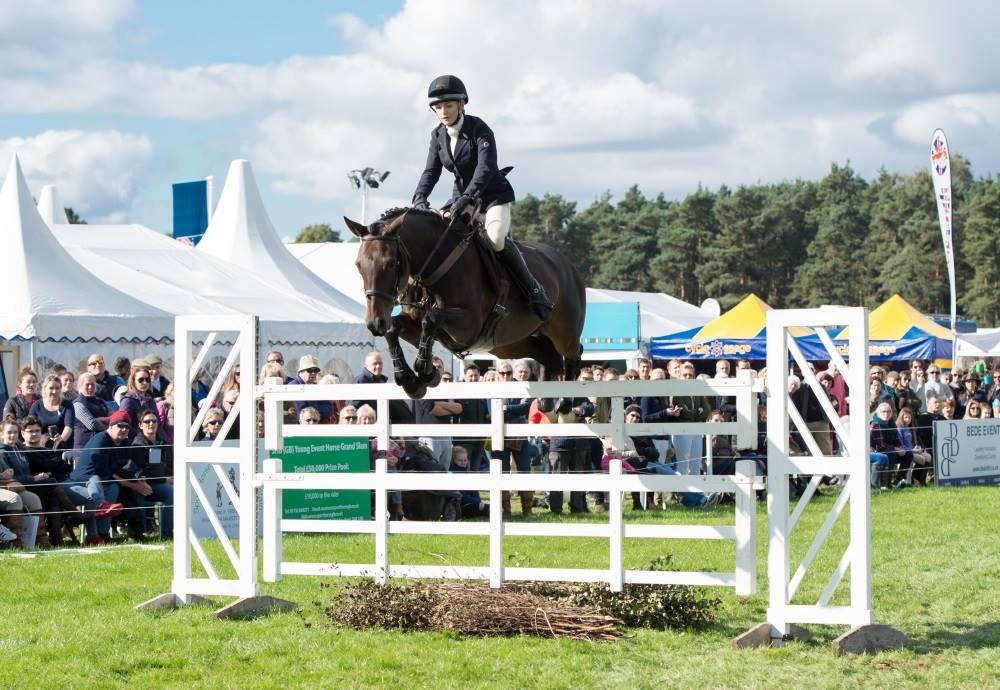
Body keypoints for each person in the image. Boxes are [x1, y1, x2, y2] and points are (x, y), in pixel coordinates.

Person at [411, 74, 552, 321]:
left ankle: (533, 289)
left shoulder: (480, 129)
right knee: (440, 236)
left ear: (462, 104)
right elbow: (431, 171)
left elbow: (485, 168)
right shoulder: (437, 136)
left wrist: (468, 197)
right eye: (438, 107)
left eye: (448, 106)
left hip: (492, 195)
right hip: (460, 198)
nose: (443, 111)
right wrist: (419, 197)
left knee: (496, 239)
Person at [129, 411, 174, 539]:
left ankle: (170, 532)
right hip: (144, 485)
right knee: (172, 492)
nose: (151, 424)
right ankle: (159, 533)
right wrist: (165, 479)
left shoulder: (162, 442)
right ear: (140, 425)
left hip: (161, 482)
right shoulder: (137, 444)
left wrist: (172, 476)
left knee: (178, 491)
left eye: (154, 421)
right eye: (147, 421)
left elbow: (170, 464)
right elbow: (142, 472)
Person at [28, 374, 75, 449]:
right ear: (45, 389)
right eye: (51, 388)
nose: (54, 391)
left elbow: (68, 427)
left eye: (57, 388)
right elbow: (29, 426)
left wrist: (60, 440)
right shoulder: (37, 405)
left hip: (62, 447)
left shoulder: (67, 405)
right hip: (41, 447)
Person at [289, 356, 333, 423]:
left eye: (316, 371)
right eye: (310, 370)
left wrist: (310, 407)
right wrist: (317, 408)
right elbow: (301, 410)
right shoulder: (293, 386)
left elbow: (329, 410)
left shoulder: (315, 387)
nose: (313, 373)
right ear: (301, 371)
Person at [72, 372, 110, 449]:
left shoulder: (101, 401)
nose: (90, 387)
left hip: (102, 445)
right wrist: (109, 424)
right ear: (80, 386)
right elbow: (92, 425)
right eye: (87, 384)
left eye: (93, 384)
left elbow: (115, 419)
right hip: (84, 448)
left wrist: (100, 420)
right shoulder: (77, 404)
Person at [895, 407, 931, 486]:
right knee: (922, 459)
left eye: (910, 417)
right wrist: (913, 450)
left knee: (928, 457)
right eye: (906, 417)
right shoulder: (899, 428)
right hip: (906, 451)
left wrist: (918, 448)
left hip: (912, 449)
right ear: (901, 417)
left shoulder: (908, 427)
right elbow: (901, 445)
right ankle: (913, 479)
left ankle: (921, 480)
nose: (908, 419)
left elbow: (912, 442)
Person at [119, 366, 158, 430]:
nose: (145, 383)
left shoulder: (150, 400)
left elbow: (158, 424)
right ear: (133, 381)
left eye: (147, 380)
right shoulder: (127, 401)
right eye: (141, 380)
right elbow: (124, 426)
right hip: (136, 438)